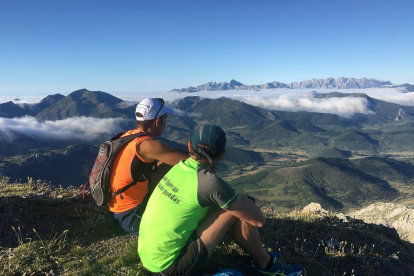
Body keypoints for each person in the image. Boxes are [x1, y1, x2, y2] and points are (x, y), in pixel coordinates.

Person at [138, 124, 305, 276]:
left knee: (233, 206)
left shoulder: (177, 168)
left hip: (149, 257)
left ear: (190, 146)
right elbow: (259, 220)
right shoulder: (209, 183)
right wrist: (244, 202)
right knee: (238, 209)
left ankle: (256, 259)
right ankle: (266, 264)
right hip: (170, 268)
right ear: (223, 154)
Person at [109, 98, 187, 235]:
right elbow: (194, 164)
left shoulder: (127, 137)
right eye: (165, 118)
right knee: (190, 222)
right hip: (132, 216)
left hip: (116, 208)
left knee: (176, 154)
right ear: (158, 121)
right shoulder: (148, 145)